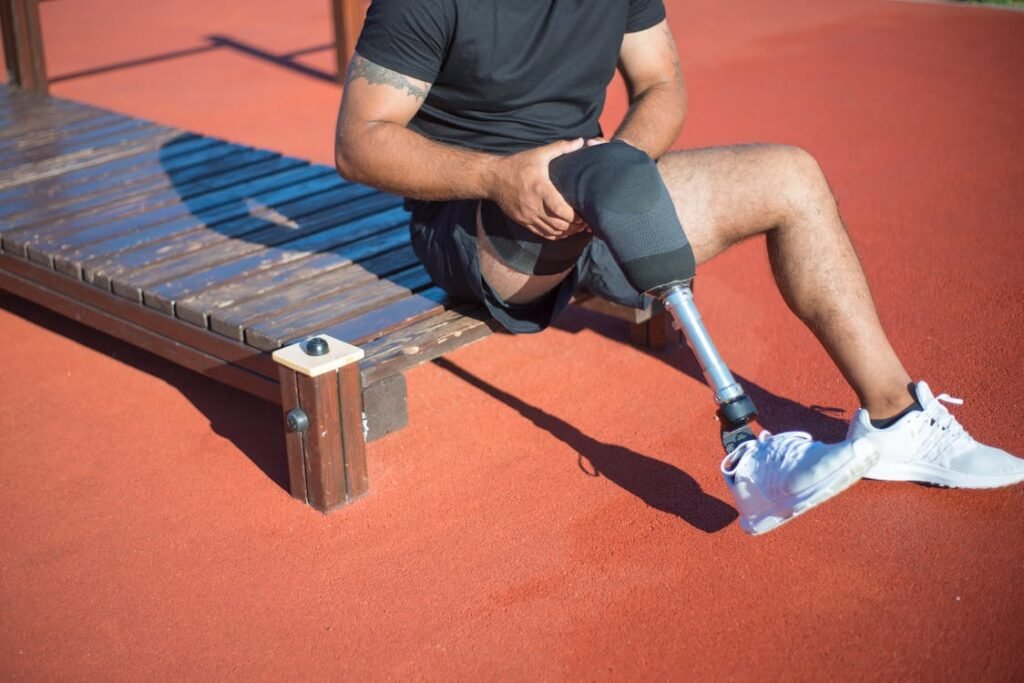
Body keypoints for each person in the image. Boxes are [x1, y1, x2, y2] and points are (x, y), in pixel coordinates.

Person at [334, 0, 1024, 534]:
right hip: (479, 219)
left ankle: (895, 416)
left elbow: (662, 84)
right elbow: (358, 143)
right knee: (559, 179)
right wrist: (497, 176)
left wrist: (615, 170)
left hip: (601, 184)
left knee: (792, 176)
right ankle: (747, 445)